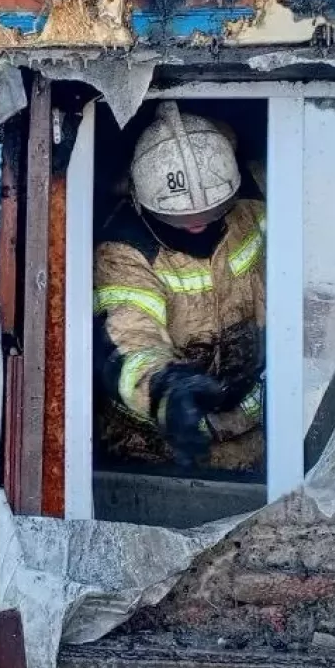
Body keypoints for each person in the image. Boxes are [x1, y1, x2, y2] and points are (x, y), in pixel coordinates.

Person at [94, 101, 266, 472]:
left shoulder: (254, 207)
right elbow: (129, 336)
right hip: (156, 449)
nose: (196, 224)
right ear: (140, 199)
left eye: (211, 212)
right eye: (179, 217)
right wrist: (166, 390)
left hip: (250, 437)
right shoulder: (124, 251)